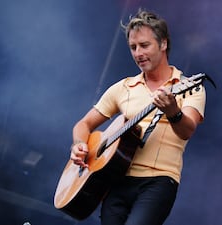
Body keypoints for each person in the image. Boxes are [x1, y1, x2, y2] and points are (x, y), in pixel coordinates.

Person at [70, 9, 206, 225]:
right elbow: (83, 124)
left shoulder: (188, 87)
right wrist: (79, 144)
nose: (138, 53)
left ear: (163, 44)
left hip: (159, 182)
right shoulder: (122, 88)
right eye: (133, 47)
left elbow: (187, 130)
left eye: (144, 45)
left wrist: (173, 112)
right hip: (116, 181)